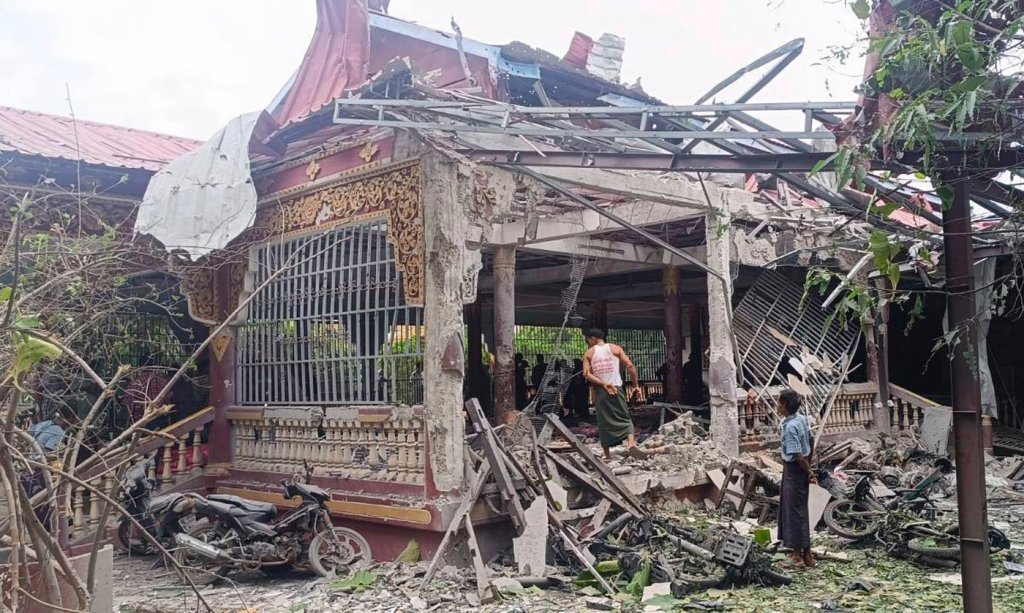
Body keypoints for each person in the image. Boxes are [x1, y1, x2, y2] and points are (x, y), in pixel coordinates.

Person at [582, 329, 641, 460]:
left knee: (604, 421)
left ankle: (607, 455)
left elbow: (586, 374)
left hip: (600, 391)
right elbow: (630, 366)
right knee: (624, 416)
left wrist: (603, 383)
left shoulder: (589, 353)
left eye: (588, 340)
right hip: (616, 387)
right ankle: (631, 444)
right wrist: (635, 385)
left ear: (592, 338)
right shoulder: (615, 348)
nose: (588, 342)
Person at [776, 389, 816, 568]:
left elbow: (797, 455)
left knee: (793, 512)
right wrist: (809, 465)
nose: (777, 406)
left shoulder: (791, 427)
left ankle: (796, 556)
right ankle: (807, 555)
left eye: (779, 403)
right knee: (801, 510)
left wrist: (809, 471)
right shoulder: (802, 419)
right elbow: (811, 440)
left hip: (795, 469)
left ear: (785, 406)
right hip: (801, 469)